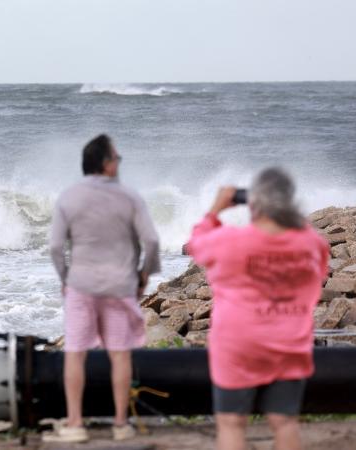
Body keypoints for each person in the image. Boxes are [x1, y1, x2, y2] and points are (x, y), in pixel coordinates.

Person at [187, 168, 329, 450]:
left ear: (255, 203)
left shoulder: (229, 240)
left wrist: (215, 210)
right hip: (290, 342)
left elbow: (196, 245)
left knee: (231, 423)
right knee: (285, 422)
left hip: (237, 345)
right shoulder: (311, 243)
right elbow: (320, 266)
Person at [46, 134, 161, 443]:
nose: (119, 164)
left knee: (75, 353)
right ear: (106, 164)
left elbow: (56, 247)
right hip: (119, 285)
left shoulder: (69, 197)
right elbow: (150, 241)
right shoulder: (129, 197)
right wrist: (144, 276)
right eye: (117, 158)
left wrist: (65, 278)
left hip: (80, 285)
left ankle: (75, 424)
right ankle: (121, 424)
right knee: (120, 355)